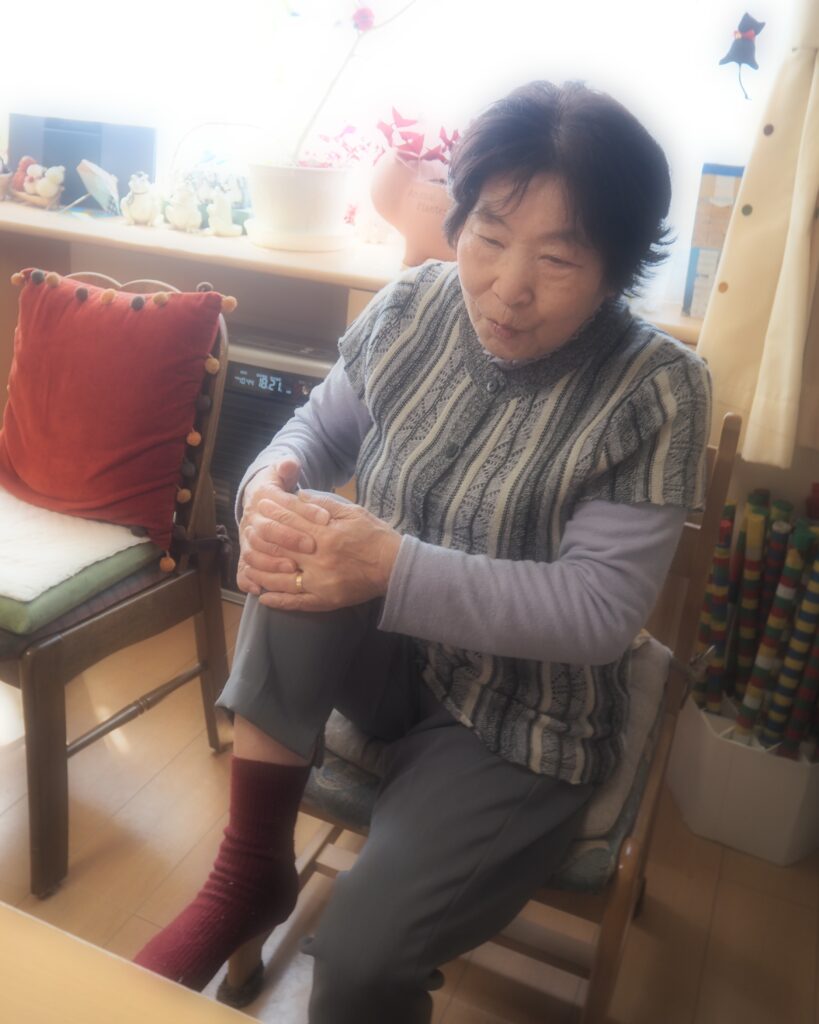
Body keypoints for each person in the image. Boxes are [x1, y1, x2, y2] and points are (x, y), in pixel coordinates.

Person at [134, 80, 711, 1022]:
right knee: (305, 521)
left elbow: (601, 613)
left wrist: (390, 567)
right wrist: (265, 489)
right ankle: (248, 871)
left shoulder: (658, 390)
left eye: (557, 259)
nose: (508, 287)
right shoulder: (413, 306)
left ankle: (342, 884)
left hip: (524, 713)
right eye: (488, 236)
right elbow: (313, 435)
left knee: (359, 963)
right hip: (393, 666)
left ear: (615, 269)